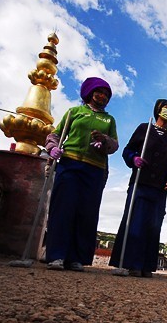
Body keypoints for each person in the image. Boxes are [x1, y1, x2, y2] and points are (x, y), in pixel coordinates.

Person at [44, 77, 118, 272]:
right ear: (90, 93)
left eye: (106, 94)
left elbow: (114, 145)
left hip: (95, 169)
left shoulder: (109, 120)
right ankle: (56, 256)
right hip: (70, 165)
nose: (102, 96)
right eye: (99, 92)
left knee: (86, 213)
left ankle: (77, 258)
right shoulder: (74, 112)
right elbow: (55, 135)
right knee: (63, 209)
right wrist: (52, 148)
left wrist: (103, 141)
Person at [109, 99, 167, 277]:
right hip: (140, 184)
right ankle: (128, 263)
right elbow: (128, 150)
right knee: (135, 222)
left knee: (153, 225)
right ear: (158, 110)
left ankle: (146, 266)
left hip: (159, 188)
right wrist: (134, 158)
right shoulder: (144, 128)